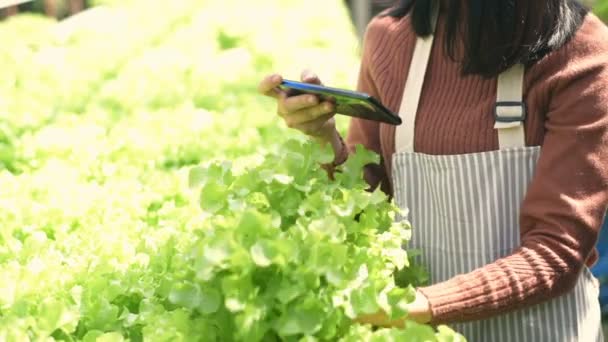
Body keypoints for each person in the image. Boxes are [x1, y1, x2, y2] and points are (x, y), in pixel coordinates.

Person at [258, 0, 608, 340]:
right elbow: (368, 207)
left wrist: (415, 305)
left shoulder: (581, 50)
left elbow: (555, 254)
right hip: (414, 330)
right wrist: (323, 138)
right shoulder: (390, 39)